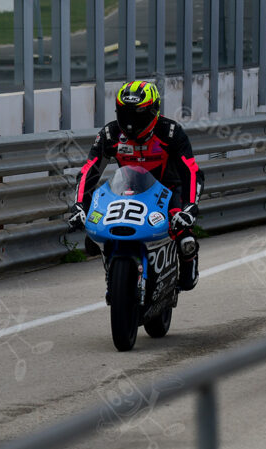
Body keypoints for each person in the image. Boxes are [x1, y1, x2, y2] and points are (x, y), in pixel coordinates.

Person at [68, 80, 204, 291]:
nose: (131, 123)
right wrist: (79, 205)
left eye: (138, 115)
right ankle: (114, 270)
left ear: (153, 111)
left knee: (184, 237)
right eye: (126, 114)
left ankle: (188, 261)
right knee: (91, 240)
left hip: (168, 191)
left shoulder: (170, 132)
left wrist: (190, 207)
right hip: (129, 190)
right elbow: (90, 171)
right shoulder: (110, 134)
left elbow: (192, 171)